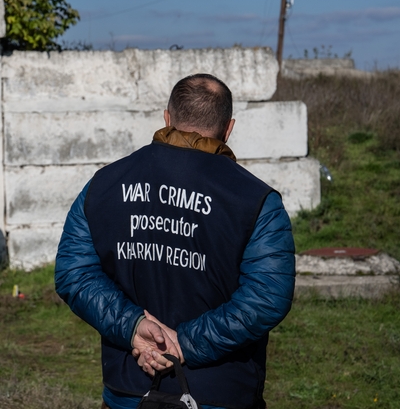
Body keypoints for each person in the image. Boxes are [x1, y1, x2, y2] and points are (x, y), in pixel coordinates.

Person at [54, 74, 296, 409]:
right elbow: (268, 296)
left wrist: (134, 327)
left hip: (129, 390)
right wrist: (183, 343)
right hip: (219, 392)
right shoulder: (257, 200)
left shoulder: (104, 185)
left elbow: (74, 273)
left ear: (167, 117)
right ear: (229, 129)